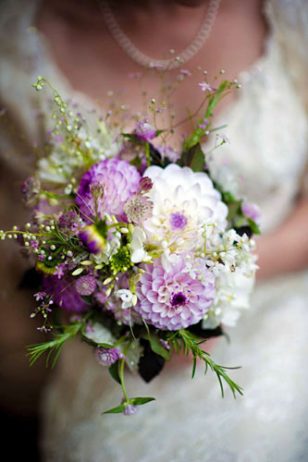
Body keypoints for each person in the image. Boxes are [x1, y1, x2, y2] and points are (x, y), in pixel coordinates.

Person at [0, 0, 307, 460]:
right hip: (115, 352)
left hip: (284, 293)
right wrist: (119, 306)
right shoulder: (18, 54)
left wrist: (215, 282)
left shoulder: (288, 18)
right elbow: (27, 254)